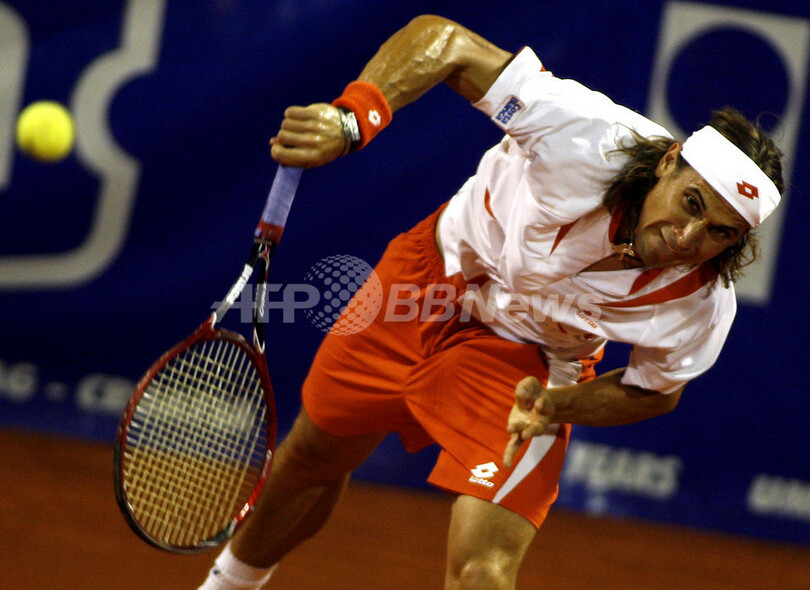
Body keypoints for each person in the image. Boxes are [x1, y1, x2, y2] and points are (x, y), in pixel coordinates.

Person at [199, 14, 783, 589]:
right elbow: (447, 42)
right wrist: (353, 118)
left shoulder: (702, 303)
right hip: (424, 283)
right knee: (313, 456)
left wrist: (556, 406)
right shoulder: (588, 136)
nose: (687, 237)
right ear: (668, 163)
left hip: (527, 362)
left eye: (720, 232)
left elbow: (655, 391)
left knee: (483, 571)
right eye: (691, 203)